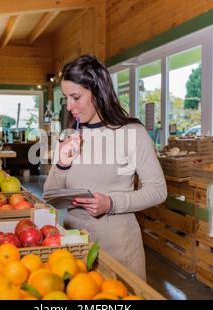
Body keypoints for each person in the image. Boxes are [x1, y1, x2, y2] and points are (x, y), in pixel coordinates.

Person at [44, 54, 167, 280]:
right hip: (74, 248)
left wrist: (111, 203)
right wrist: (62, 164)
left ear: (97, 92)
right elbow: (50, 197)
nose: (69, 106)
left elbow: (158, 190)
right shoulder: (69, 136)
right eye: (66, 98)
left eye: (76, 97)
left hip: (120, 250)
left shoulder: (133, 134)